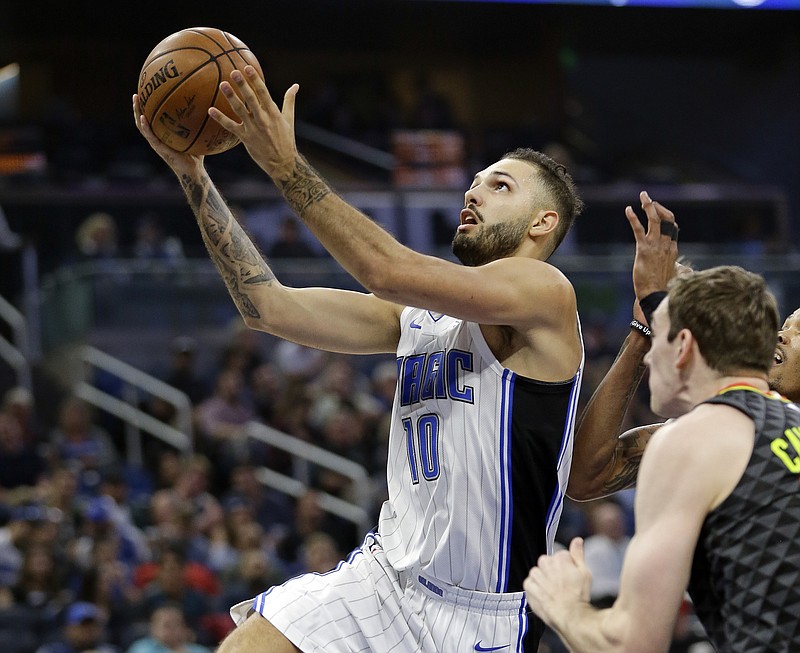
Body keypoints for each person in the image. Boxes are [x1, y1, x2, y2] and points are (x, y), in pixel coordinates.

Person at [134, 60, 585, 652]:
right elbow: (266, 306)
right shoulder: (416, 317)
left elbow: (386, 269)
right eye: (474, 181)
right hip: (385, 582)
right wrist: (193, 174)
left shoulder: (545, 294)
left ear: (542, 223)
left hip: (481, 614)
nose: (473, 192)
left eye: (500, 185)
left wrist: (285, 167)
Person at [525, 265, 800, 652]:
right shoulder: (722, 429)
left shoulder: (693, 439)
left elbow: (632, 644)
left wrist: (564, 606)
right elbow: (588, 476)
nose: (784, 334)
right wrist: (647, 328)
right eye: (786, 323)